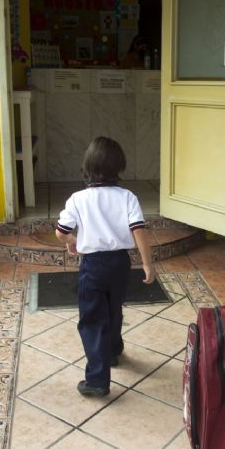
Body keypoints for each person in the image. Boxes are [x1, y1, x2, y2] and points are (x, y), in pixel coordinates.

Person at [55, 136, 155, 397]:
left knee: (92, 320)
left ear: (87, 166)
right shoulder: (128, 197)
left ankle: (98, 380)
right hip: (120, 263)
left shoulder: (78, 199)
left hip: (93, 265)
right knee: (113, 309)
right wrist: (147, 264)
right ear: (119, 167)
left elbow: (60, 231)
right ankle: (112, 350)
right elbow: (139, 232)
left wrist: (71, 240)